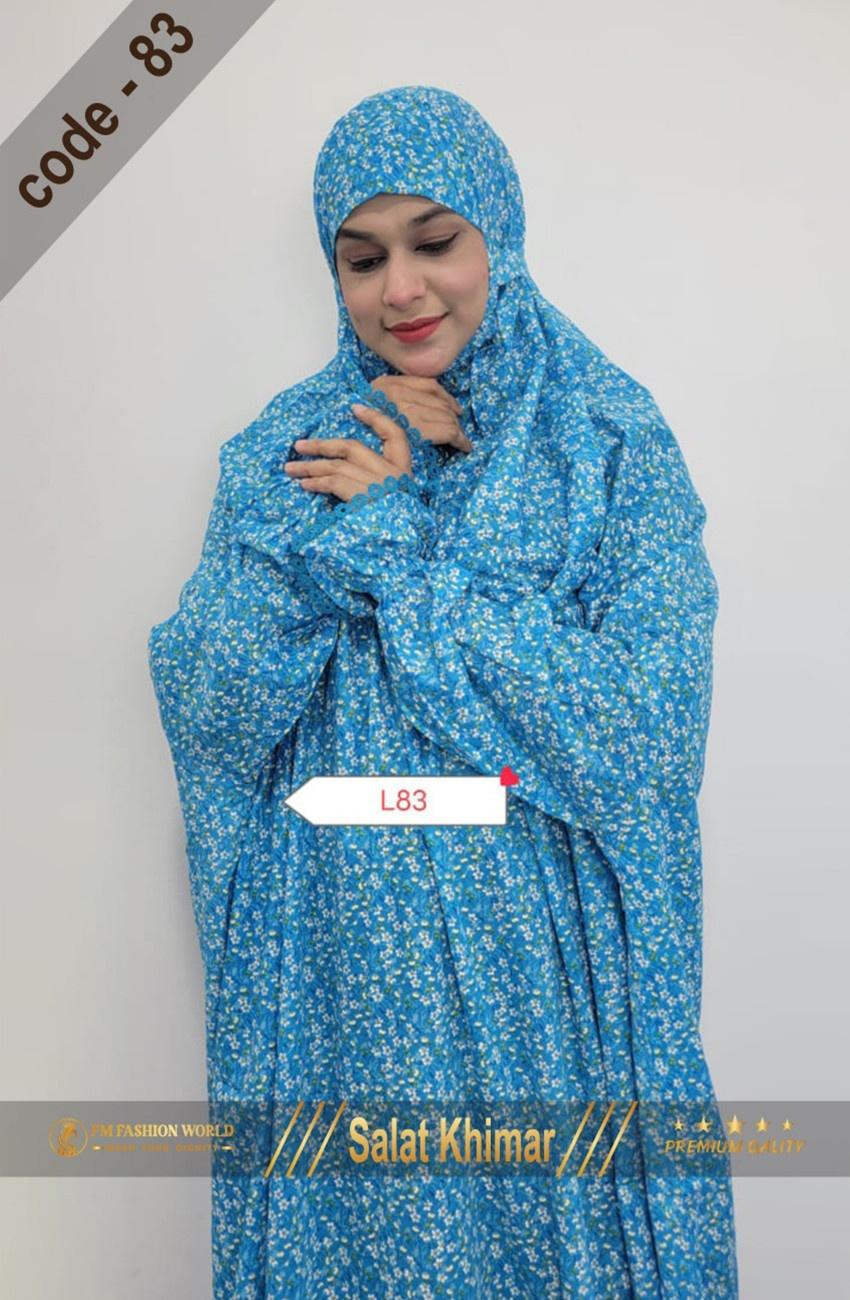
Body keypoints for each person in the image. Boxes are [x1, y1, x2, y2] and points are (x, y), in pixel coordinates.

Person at [148, 85, 739, 1297]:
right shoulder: (291, 452)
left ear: (498, 236)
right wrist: (317, 528)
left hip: (546, 998)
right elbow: (212, 715)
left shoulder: (603, 447)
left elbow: (640, 742)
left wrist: (398, 548)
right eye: (362, 259)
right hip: (340, 988)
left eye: (435, 241)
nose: (401, 290)